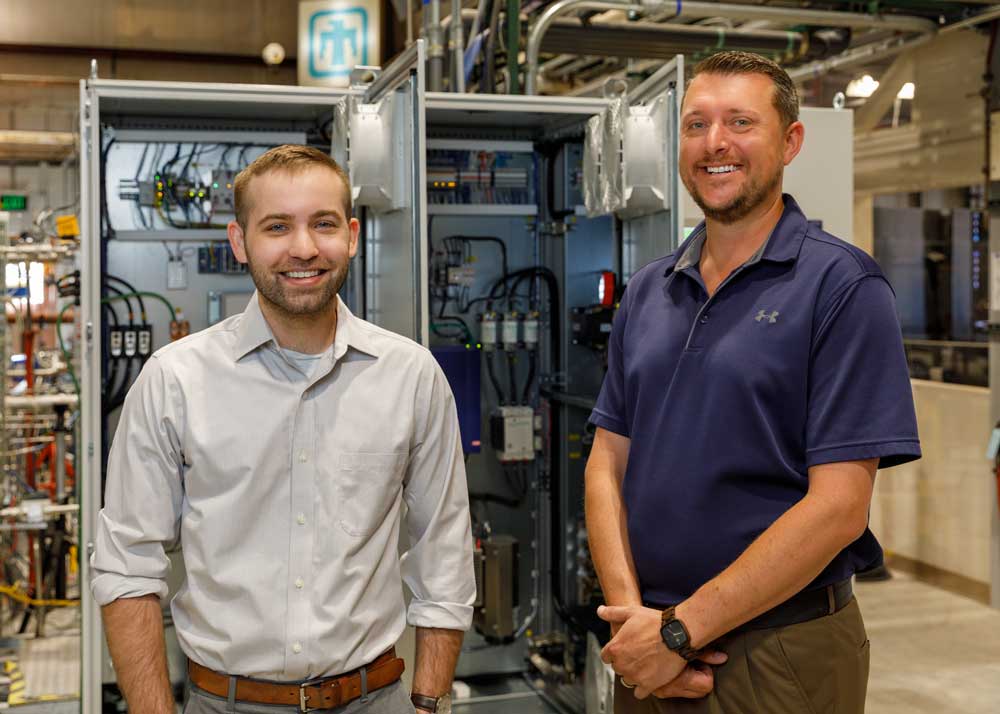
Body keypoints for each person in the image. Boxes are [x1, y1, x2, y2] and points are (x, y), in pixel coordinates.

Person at [584, 51, 920, 714]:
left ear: (790, 140)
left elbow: (838, 508)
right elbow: (605, 462)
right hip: (648, 646)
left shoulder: (843, 287)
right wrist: (633, 625)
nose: (715, 144)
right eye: (697, 125)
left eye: (741, 122)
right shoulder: (650, 289)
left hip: (780, 651)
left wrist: (682, 631)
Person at [92, 145, 475, 714]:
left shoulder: (410, 376)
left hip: (377, 699)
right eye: (277, 227)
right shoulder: (174, 380)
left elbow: (442, 554)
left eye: (322, 224)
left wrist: (428, 702)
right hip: (223, 701)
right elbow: (127, 567)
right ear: (240, 242)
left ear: (349, 235)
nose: (303, 248)